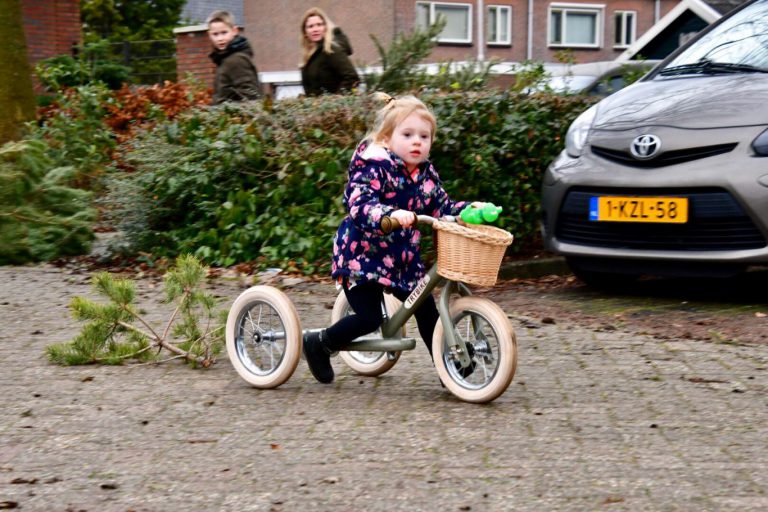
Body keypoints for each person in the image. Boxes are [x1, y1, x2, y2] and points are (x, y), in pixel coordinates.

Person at [303, 94, 475, 384]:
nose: (417, 142)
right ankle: (320, 343)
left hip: (401, 259)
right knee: (369, 317)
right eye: (407, 135)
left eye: (424, 136)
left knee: (426, 309)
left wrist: (466, 212)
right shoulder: (373, 166)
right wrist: (390, 213)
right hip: (361, 256)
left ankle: (450, 368)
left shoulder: (425, 176)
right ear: (386, 138)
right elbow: (360, 204)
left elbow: (441, 206)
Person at [299, 7, 360, 96]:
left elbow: (352, 78)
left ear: (326, 27)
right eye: (310, 26)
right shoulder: (309, 55)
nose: (315, 29)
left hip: (334, 109)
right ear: (305, 32)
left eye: (319, 24)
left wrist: (335, 101)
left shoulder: (331, 49)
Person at [206, 10, 263, 105]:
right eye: (215, 34)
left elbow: (251, 96)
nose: (220, 38)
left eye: (224, 33)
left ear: (234, 31)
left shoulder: (237, 60)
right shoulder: (223, 59)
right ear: (209, 35)